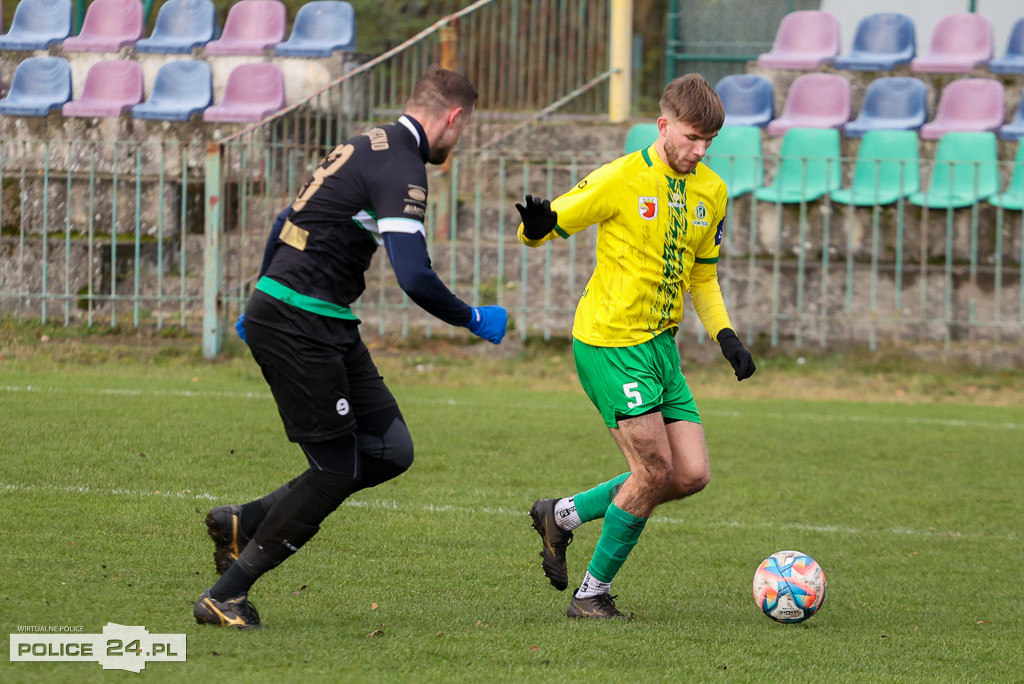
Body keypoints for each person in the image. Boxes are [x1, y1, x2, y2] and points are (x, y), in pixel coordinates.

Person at [194, 67, 508, 629]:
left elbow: (283, 221)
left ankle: (242, 522)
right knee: (336, 471)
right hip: (300, 321)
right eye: (463, 129)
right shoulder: (404, 165)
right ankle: (225, 596)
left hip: (320, 317)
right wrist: (473, 317)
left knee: (390, 450)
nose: (457, 142)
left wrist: (260, 290)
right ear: (454, 117)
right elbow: (413, 275)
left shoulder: (365, 143)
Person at [516, 73, 755, 620]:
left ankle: (563, 515)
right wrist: (534, 225)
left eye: (708, 143)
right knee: (652, 471)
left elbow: (702, 276)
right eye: (692, 138)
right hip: (609, 343)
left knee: (690, 474)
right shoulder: (619, 179)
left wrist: (725, 335)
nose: (699, 151)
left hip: (661, 349)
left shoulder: (712, 192)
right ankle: (591, 595)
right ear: (663, 124)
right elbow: (547, 227)